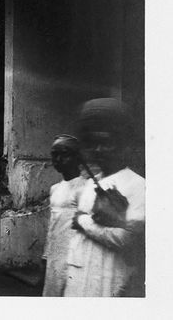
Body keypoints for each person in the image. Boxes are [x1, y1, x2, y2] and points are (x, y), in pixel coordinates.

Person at [64, 97, 145, 297]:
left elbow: (127, 239)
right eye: (95, 144)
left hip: (110, 277)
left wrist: (83, 221)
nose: (99, 150)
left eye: (106, 143)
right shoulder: (90, 183)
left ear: (122, 146)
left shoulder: (137, 185)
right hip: (80, 274)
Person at [42, 133, 84, 295]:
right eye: (54, 155)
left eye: (64, 154)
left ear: (77, 158)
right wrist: (45, 256)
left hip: (73, 256)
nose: (58, 159)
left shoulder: (84, 188)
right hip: (54, 255)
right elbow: (52, 226)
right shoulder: (55, 189)